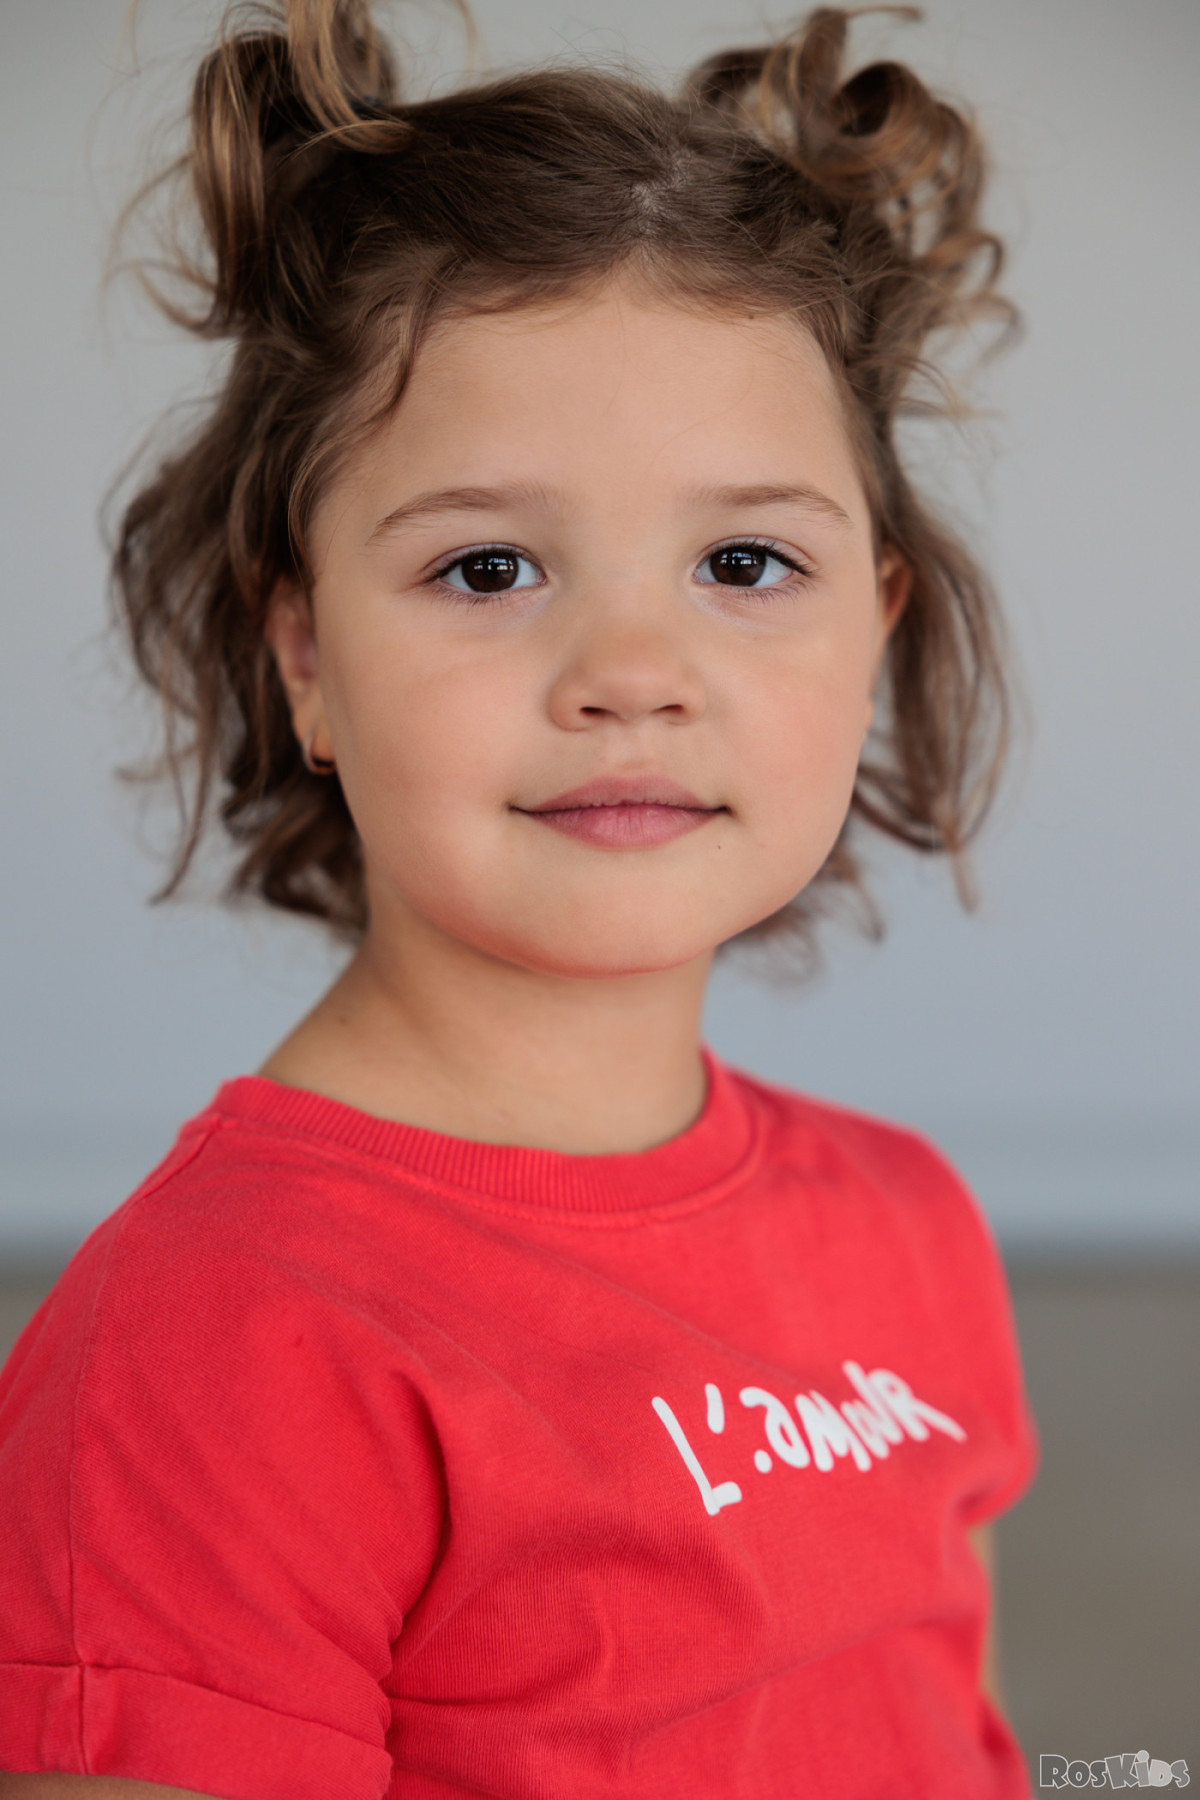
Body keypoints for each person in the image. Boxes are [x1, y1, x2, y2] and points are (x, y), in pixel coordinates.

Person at [0, 2, 1039, 1794]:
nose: (631, 672)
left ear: (872, 631)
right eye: (487, 568)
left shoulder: (911, 1225)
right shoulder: (213, 1347)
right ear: (307, 657)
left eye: (744, 561)